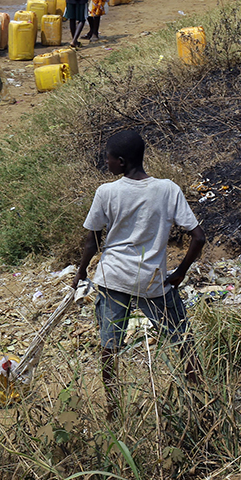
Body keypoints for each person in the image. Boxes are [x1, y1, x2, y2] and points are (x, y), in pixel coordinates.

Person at [74, 130, 205, 418]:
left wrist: (81, 271)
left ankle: (114, 407)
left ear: (120, 162)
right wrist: (180, 272)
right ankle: (200, 398)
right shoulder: (167, 189)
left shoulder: (106, 193)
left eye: (107, 158)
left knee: (110, 346)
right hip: (152, 281)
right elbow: (198, 237)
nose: (105, 162)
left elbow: (92, 241)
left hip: (112, 278)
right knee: (183, 339)